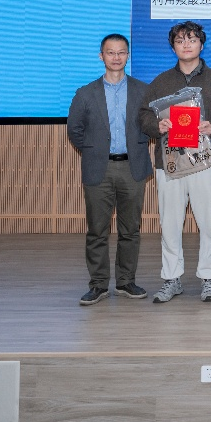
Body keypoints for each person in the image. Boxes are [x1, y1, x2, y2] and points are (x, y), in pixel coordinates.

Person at [138, 21, 211, 304]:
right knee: (169, 223)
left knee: (209, 222)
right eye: (180, 41)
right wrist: (157, 125)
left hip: (205, 163)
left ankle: (209, 277)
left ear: (202, 44)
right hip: (170, 163)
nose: (186, 45)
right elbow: (143, 116)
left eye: (192, 40)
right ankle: (172, 278)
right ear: (173, 47)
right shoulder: (161, 82)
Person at [66, 34, 150, 306]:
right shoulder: (85, 93)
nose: (116, 57)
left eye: (121, 52)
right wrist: (95, 151)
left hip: (132, 167)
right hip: (98, 168)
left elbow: (151, 125)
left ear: (128, 55)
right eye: (110, 52)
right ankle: (98, 285)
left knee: (130, 230)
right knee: (97, 230)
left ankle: (126, 282)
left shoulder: (143, 91)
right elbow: (75, 130)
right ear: (101, 56)